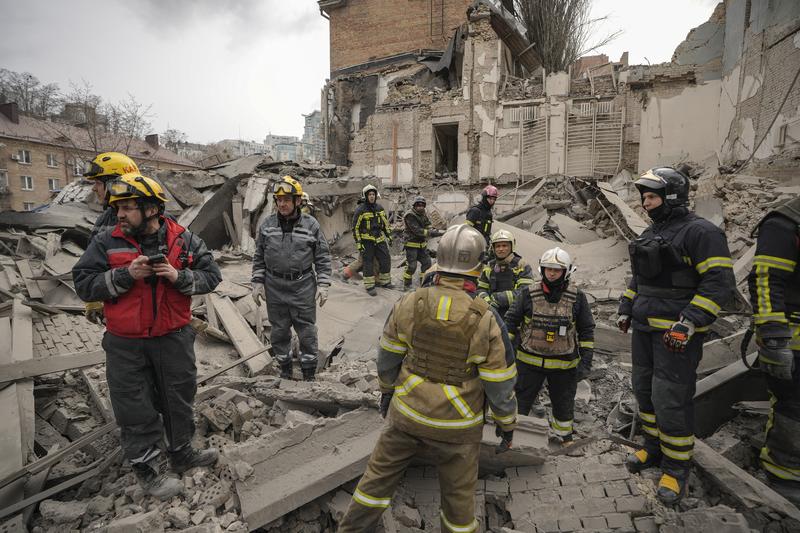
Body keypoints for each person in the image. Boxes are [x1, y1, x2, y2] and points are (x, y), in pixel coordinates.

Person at [336, 224, 517, 533]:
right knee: (459, 508)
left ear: (440, 261)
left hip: (407, 415)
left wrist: (386, 392)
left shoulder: (409, 302)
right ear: (478, 266)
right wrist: (506, 424)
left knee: (374, 486)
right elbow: (499, 383)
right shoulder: (487, 317)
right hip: (457, 427)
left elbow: (388, 357)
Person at [72, 173, 222, 499]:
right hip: (126, 343)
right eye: (117, 208)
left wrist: (178, 276)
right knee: (134, 407)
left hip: (173, 338)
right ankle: (150, 472)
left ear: (152, 209)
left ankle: (182, 453)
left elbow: (212, 276)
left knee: (178, 398)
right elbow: (83, 283)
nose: (120, 214)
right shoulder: (105, 241)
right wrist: (125, 274)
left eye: (127, 207)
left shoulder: (183, 239)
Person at [617, 167, 735, 505]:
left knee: (671, 400)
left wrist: (689, 321)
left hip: (675, 336)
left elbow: (719, 284)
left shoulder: (702, 233)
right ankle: (652, 449)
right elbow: (638, 279)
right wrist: (627, 307)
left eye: (651, 197)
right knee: (646, 394)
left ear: (671, 197)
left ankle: (676, 468)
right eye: (643, 197)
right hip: (643, 331)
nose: (645, 203)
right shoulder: (652, 234)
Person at [504, 247, 594, 443]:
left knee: (563, 405)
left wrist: (585, 362)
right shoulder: (527, 294)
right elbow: (510, 323)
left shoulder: (578, 298)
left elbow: (586, 330)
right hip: (528, 365)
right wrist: (508, 355)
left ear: (567, 271)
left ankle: (564, 439)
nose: (552, 273)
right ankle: (514, 438)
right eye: (548, 269)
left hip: (564, 367)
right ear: (542, 269)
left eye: (557, 270)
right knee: (520, 403)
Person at [747, 195, 800, 505]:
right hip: (793, 336)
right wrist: (773, 338)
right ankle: (785, 475)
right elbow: (766, 280)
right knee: (793, 407)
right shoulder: (787, 221)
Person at [251, 176, 332, 381]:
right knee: (279, 330)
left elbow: (322, 256)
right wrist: (257, 281)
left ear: (297, 201)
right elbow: (259, 255)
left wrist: (323, 284)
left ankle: (308, 373)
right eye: (278, 200)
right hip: (274, 286)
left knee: (306, 330)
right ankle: (285, 368)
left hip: (302, 285)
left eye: (286, 199)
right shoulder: (267, 225)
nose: (281, 204)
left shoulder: (311, 225)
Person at [81, 152, 140, 325]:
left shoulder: (156, 219)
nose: (94, 188)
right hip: (120, 321)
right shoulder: (104, 220)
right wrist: (93, 300)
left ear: (115, 184)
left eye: (98, 183)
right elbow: (91, 266)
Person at [477, 229, 534, 317]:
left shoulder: (521, 265)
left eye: (504, 246)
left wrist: (497, 299)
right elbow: (481, 288)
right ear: (493, 248)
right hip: (491, 313)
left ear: (511, 246)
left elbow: (525, 293)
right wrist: (487, 301)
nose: (501, 249)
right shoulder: (489, 266)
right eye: (498, 246)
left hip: (514, 315)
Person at [353, 184, 392, 295]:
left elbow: (385, 224)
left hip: (379, 239)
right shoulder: (360, 210)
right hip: (366, 241)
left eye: (373, 194)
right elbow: (355, 228)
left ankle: (385, 282)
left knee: (385, 259)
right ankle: (369, 286)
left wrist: (389, 236)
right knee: (368, 263)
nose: (372, 196)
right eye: (369, 194)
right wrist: (359, 243)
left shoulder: (379, 208)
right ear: (365, 196)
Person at [402, 195, 443, 290]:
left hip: (422, 245)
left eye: (422, 205)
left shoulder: (423, 213)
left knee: (427, 263)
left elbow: (427, 224)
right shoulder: (410, 215)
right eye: (418, 205)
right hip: (411, 244)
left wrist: (432, 229)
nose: (420, 207)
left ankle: (423, 282)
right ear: (415, 206)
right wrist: (431, 233)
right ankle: (407, 285)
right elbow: (418, 231)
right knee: (412, 266)